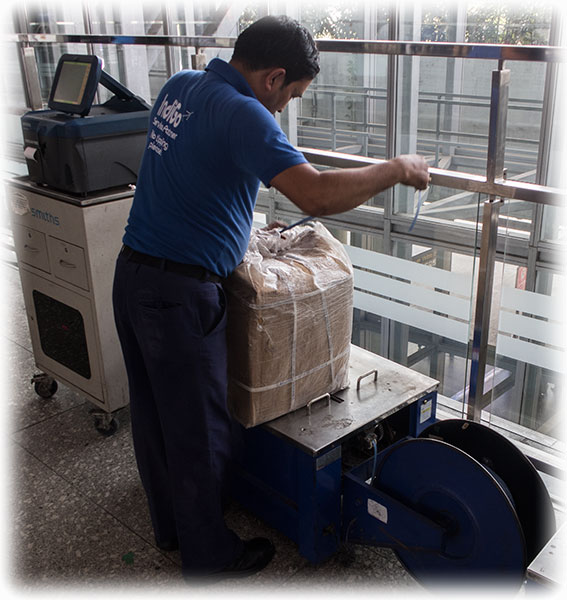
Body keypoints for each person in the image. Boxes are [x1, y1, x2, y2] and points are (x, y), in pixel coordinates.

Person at [112, 15, 429, 582]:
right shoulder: (246, 114)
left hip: (133, 276)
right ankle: (210, 559)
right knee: (199, 433)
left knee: (155, 417)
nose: (284, 109)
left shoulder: (181, 86)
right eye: (291, 95)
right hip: (180, 299)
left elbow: (201, 172)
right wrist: (396, 169)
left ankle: (171, 528)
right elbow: (314, 195)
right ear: (273, 76)